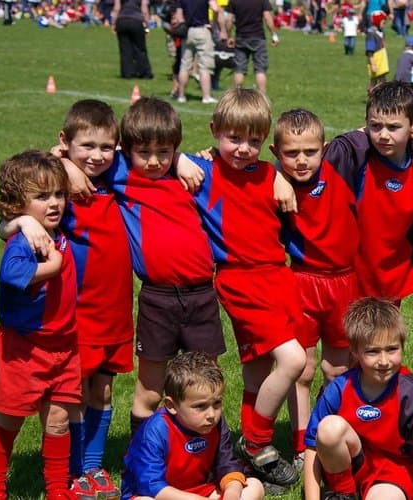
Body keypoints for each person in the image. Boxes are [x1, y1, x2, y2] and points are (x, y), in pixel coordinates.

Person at [61, 98, 224, 447]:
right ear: (126, 149)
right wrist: (65, 165)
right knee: (149, 390)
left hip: (201, 296)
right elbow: (70, 154)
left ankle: (207, 458)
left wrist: (181, 160)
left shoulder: (190, 173)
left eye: (163, 152)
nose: (153, 161)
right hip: (158, 298)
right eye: (144, 152)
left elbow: (236, 168)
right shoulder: (120, 171)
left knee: (206, 384)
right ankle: (141, 459)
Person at [0, 101, 132, 500]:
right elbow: (7, 218)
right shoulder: (55, 185)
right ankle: (74, 470)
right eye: (85, 146)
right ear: (64, 141)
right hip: (77, 312)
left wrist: (181, 161)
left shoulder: (119, 172)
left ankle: (92, 466)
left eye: (106, 147)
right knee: (72, 393)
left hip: (117, 310)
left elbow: (156, 153)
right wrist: (21, 221)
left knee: (104, 391)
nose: (96, 156)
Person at [180, 89, 305, 491]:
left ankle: (247, 457)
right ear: (214, 131)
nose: (243, 148)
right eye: (233, 138)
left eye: (253, 140)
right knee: (293, 359)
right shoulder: (203, 171)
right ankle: (257, 442)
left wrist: (281, 177)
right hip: (240, 279)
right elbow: (141, 155)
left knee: (257, 371)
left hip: (277, 276)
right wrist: (179, 159)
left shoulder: (269, 174)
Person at [0, 150, 79, 500]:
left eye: (59, 194)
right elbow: (12, 275)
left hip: (65, 346)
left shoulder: (58, 227)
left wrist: (61, 156)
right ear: (18, 203)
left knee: (58, 421)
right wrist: (50, 267)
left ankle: (56, 489)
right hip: (24, 349)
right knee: (10, 419)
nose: (54, 203)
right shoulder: (25, 241)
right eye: (42, 197)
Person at [268, 108, 359, 477]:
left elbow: (375, 130)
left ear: (324, 147)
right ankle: (302, 444)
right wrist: (274, 177)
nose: (301, 160)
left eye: (309, 151)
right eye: (290, 154)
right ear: (275, 152)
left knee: (336, 368)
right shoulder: (274, 182)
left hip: (344, 281)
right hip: (302, 281)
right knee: (302, 370)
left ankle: (331, 434)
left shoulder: (341, 161)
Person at [302, 298, 413, 500]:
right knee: (329, 428)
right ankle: (344, 494)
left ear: (403, 346)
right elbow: (313, 446)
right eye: (373, 351)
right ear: (355, 351)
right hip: (352, 464)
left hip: (393, 472)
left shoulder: (411, 395)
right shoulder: (339, 388)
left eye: (392, 349)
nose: (383, 361)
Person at [322, 81, 413, 304]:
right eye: (375, 126)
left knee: (387, 337)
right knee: (353, 336)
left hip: (395, 270)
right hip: (354, 271)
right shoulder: (356, 154)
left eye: (393, 127)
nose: (383, 135)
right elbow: (303, 155)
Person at [121, 351, 265, 499]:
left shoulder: (215, 423)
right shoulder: (155, 431)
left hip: (200, 490)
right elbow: (150, 485)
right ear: (171, 405)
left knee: (254, 486)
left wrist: (231, 493)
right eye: (200, 406)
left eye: (216, 403)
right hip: (162, 495)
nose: (211, 414)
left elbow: (227, 464)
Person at [223, 0, 280, 93]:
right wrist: (274, 34)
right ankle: (262, 97)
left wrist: (229, 36)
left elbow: (229, 19)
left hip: (241, 37)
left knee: (239, 69)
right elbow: (267, 17)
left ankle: (236, 97)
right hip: (258, 36)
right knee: (260, 70)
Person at [174, 0, 224, 103]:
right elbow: (215, 8)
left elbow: (179, 16)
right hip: (202, 29)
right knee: (205, 66)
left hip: (187, 31)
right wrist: (213, 23)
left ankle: (181, 95)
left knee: (184, 65)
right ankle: (206, 96)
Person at [111, 0, 154, 79]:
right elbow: (144, 10)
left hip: (122, 20)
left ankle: (127, 73)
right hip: (136, 21)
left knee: (125, 49)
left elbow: (116, 8)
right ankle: (144, 72)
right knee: (140, 48)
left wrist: (114, 23)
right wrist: (147, 25)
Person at [366, 10, 389, 91]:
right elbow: (369, 51)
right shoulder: (371, 34)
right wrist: (372, 64)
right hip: (376, 61)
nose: (384, 24)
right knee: (378, 80)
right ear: (377, 21)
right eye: (383, 22)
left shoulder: (381, 32)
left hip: (382, 60)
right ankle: (374, 95)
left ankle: (373, 94)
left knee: (379, 80)